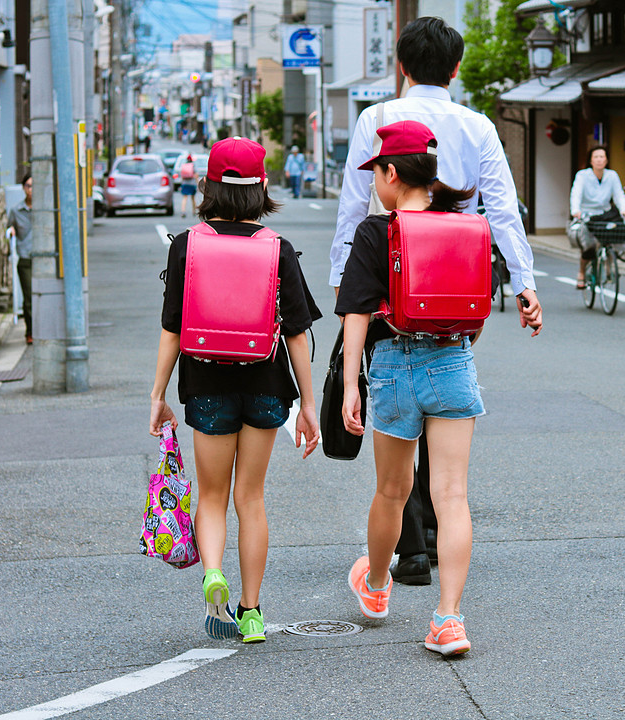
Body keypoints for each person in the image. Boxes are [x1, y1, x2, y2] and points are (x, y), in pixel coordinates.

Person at [330, 16, 543, 587]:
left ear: (401, 66)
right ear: (455, 69)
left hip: (386, 288)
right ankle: (437, 574)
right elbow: (502, 209)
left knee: (398, 413)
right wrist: (524, 285)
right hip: (457, 292)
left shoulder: (376, 118)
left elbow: (354, 208)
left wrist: (342, 280)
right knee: (445, 406)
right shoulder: (477, 126)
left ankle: (411, 549)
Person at [149, 137, 322, 644]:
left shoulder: (187, 245)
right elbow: (296, 336)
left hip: (205, 383)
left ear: (207, 186)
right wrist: (308, 405)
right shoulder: (278, 249)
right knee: (251, 496)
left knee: (211, 495)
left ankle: (212, 574)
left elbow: (172, 329)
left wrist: (158, 394)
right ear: (262, 188)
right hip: (266, 385)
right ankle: (251, 612)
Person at [336, 120, 482, 657]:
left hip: (395, 364)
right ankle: (448, 620)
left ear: (392, 173)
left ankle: (376, 587)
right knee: (452, 496)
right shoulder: (464, 227)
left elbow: (356, 312)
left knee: (392, 492)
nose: (374, 181)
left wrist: (351, 384)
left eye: (375, 171)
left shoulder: (377, 232)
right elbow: (476, 308)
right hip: (452, 362)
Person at [570, 145, 625, 289]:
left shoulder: (612, 175)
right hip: (587, 214)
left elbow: (619, 195)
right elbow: (576, 193)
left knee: (610, 239)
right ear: (591, 160)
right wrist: (575, 210)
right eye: (596, 157)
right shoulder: (582, 175)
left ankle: (610, 269)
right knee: (589, 247)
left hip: (605, 214)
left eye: (602, 157)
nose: (599, 160)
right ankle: (582, 272)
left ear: (606, 160)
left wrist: (624, 209)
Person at [7, 173, 34, 344]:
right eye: (28, 186)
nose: (31, 190)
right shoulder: (16, 211)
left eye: (34, 186)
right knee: (30, 296)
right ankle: (30, 331)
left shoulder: (45, 209)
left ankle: (44, 330)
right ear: (23, 188)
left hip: (45, 259)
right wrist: (11, 231)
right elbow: (9, 228)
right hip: (25, 258)